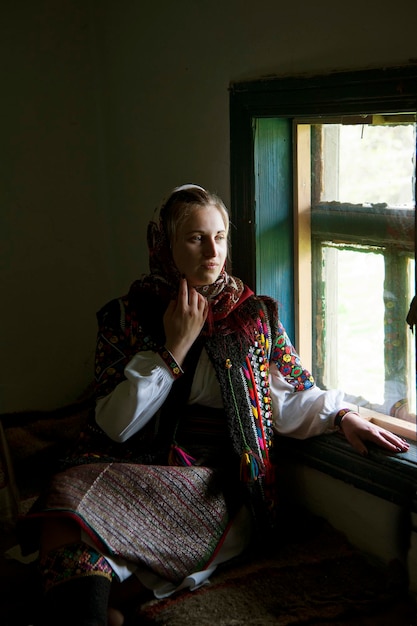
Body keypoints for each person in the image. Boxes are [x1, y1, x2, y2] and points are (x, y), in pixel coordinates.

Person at [20, 184, 410, 626]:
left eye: (220, 236)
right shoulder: (128, 316)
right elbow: (114, 426)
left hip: (210, 485)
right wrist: (173, 349)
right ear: (164, 246)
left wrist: (343, 416)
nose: (212, 250)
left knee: (70, 511)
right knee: (68, 508)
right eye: (195, 238)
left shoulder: (252, 317)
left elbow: (285, 399)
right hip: (137, 464)